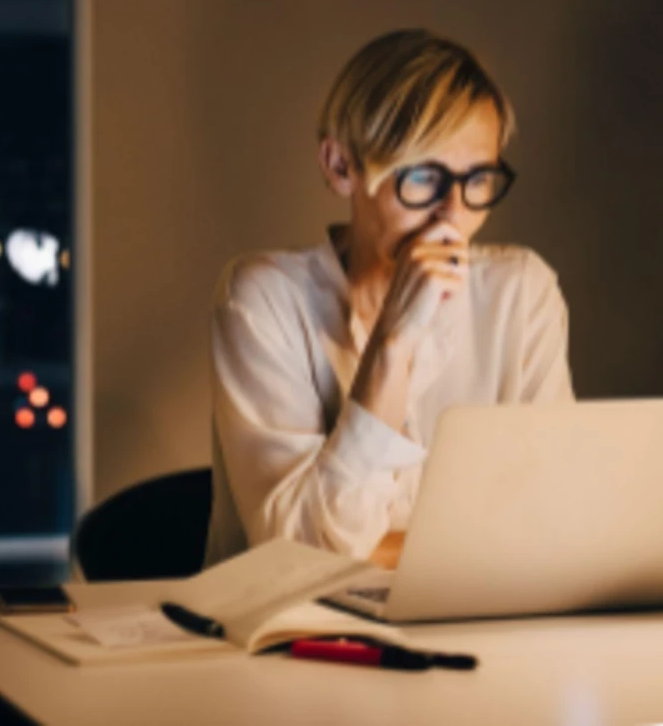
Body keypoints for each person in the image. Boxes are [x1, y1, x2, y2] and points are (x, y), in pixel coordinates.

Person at [203, 29, 574, 571]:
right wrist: (393, 344)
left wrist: (388, 553)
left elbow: (553, 524)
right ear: (340, 167)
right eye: (424, 178)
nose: (452, 215)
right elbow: (298, 559)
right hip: (288, 640)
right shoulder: (262, 301)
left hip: (478, 626)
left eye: (478, 180)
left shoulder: (521, 293)